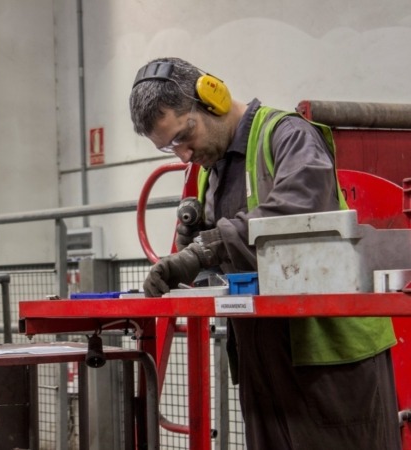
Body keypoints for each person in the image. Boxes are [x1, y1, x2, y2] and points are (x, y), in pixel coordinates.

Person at [129, 57, 402, 450]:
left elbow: (296, 211)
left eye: (183, 136)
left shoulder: (288, 136)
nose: (183, 156)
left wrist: (206, 248)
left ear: (213, 98)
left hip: (332, 362)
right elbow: (228, 264)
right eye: (170, 147)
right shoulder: (212, 171)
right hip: (266, 365)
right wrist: (194, 248)